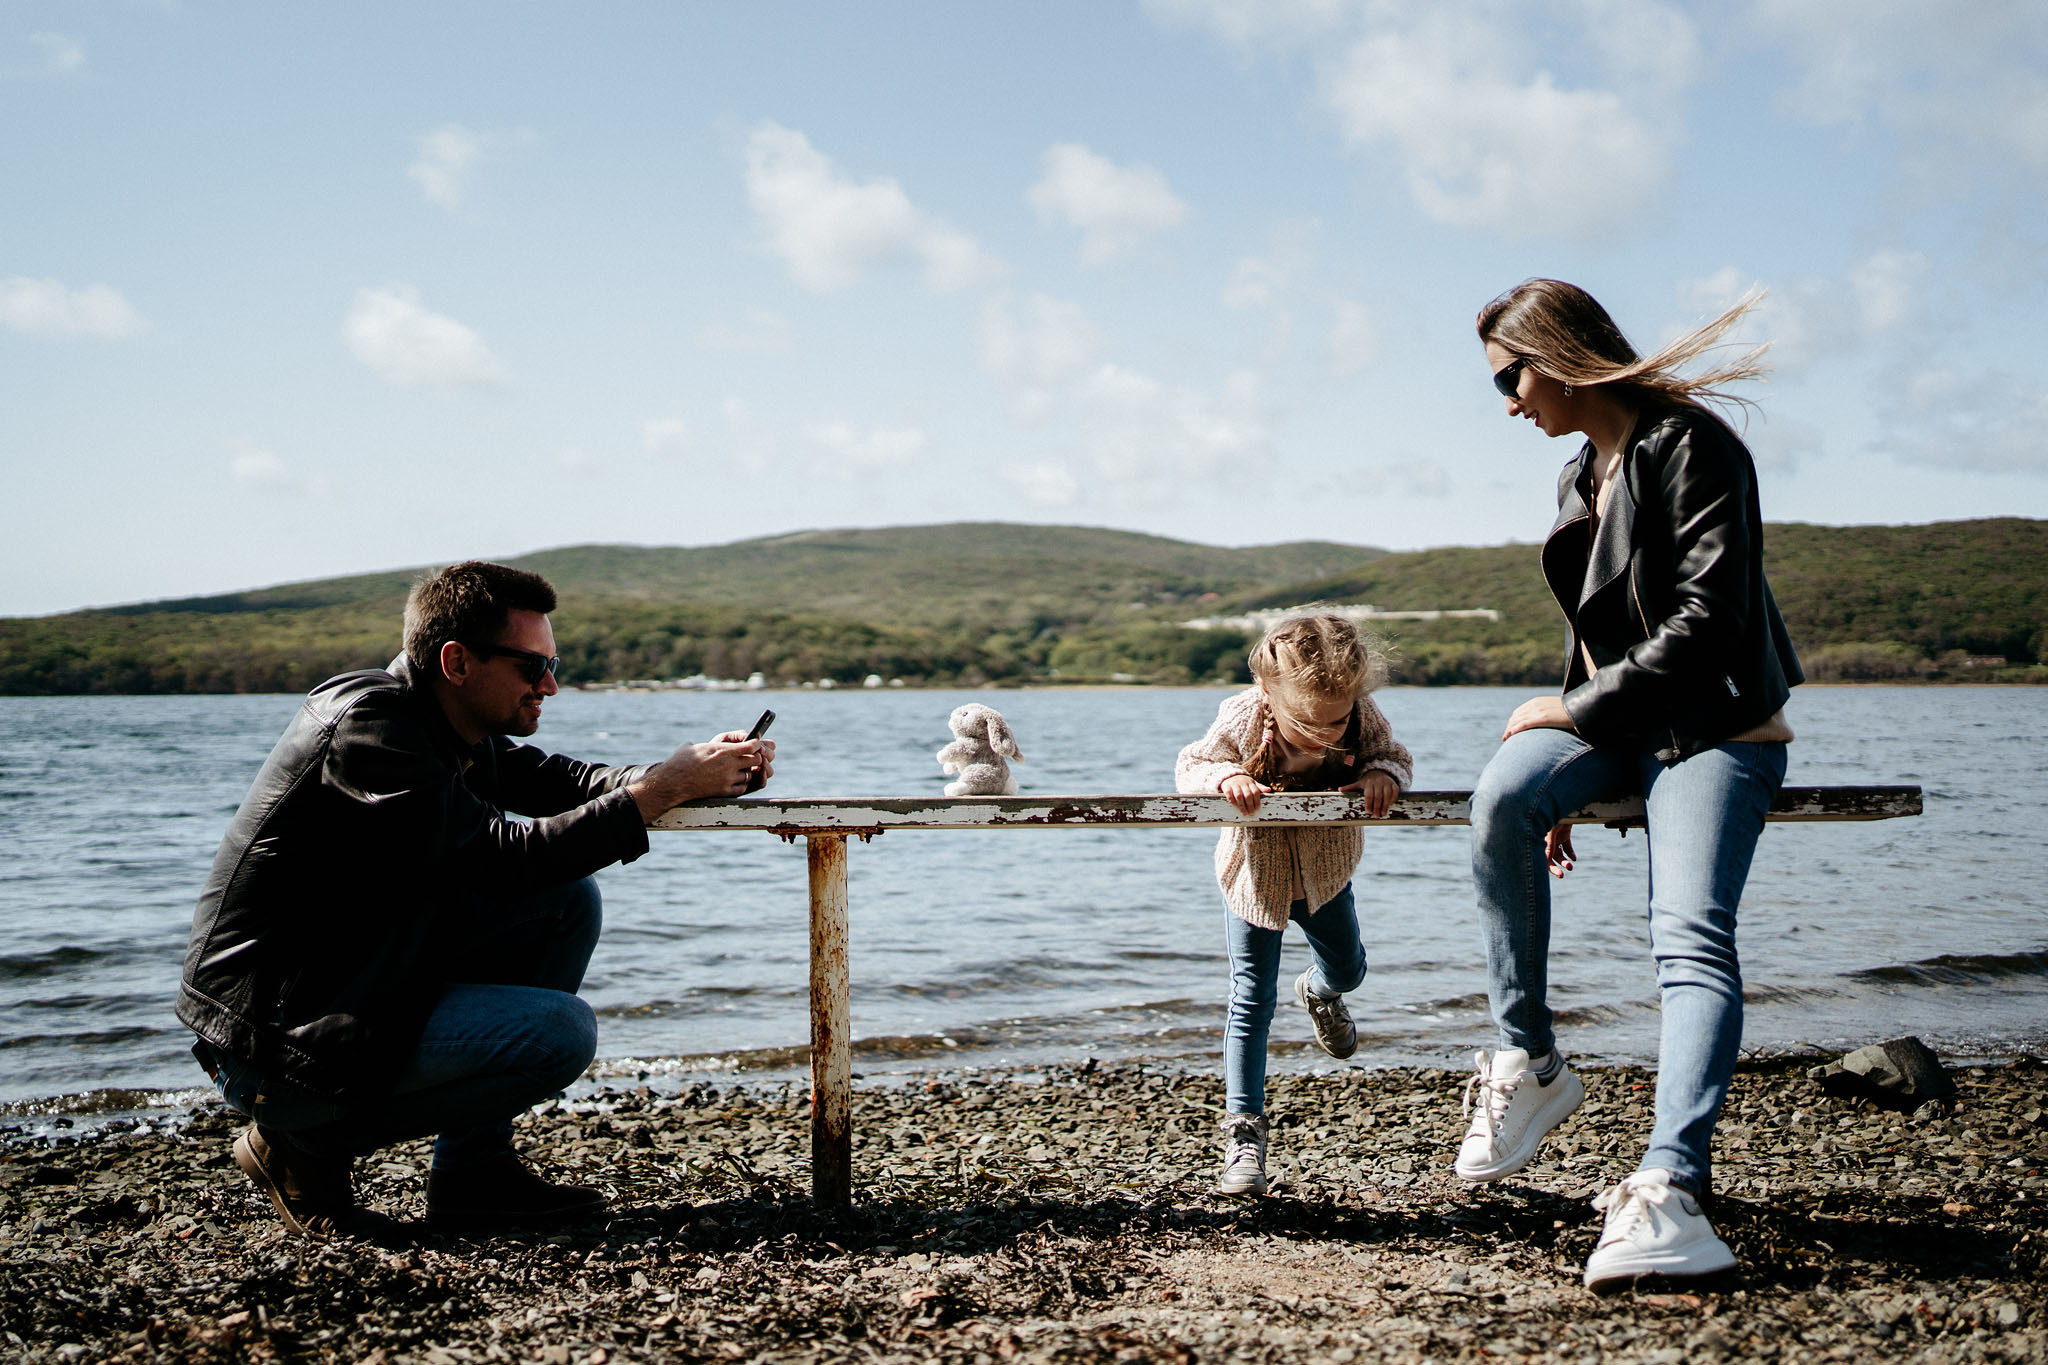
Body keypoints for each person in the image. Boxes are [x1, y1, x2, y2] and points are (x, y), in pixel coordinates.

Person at [177, 560, 775, 1240]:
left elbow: (563, 780)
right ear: (458, 661)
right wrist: (659, 791)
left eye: (556, 663)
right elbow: (501, 858)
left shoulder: (441, 723)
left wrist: (689, 773)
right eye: (532, 667)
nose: (549, 684)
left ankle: (473, 1176)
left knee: (566, 902)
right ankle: (297, 1145)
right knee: (558, 1034)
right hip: (274, 1042)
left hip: (352, 987)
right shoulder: (372, 725)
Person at [1456, 279, 1802, 1290]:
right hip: (1617, 724)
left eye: (1507, 378)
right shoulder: (1577, 476)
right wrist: (1563, 773)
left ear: (1556, 355)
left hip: (1715, 726)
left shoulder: (1688, 447)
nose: (1506, 402)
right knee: (1501, 797)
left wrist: (1573, 711)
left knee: (1686, 936)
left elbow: (1708, 624)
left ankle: (1670, 1192)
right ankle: (1528, 1062)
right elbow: (1597, 632)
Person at [1176, 614, 1412, 1196]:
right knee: (1250, 995)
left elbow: (1397, 757)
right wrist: (1227, 776)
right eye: (1307, 723)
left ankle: (1322, 991)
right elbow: (1192, 766)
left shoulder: (1360, 717)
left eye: (1334, 720)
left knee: (1350, 969)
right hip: (1254, 875)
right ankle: (1243, 1133)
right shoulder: (1243, 715)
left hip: (1327, 873)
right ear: (1269, 695)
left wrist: (1384, 774)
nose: (1325, 735)